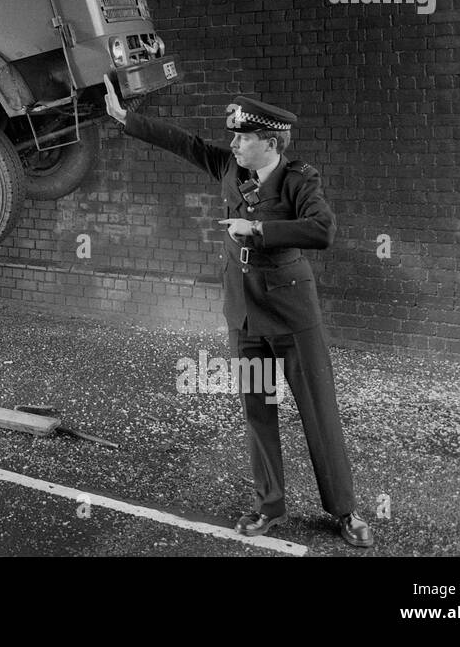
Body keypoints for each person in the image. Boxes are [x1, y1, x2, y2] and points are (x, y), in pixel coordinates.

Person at [105, 80, 374, 548]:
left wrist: (259, 228)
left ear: (268, 143)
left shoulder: (299, 180)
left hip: (292, 315)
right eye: (232, 137)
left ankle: (345, 510)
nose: (232, 144)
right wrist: (128, 119)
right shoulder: (229, 166)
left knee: (318, 412)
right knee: (257, 410)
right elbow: (184, 143)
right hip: (244, 315)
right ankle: (269, 505)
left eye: (242, 137)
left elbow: (322, 230)